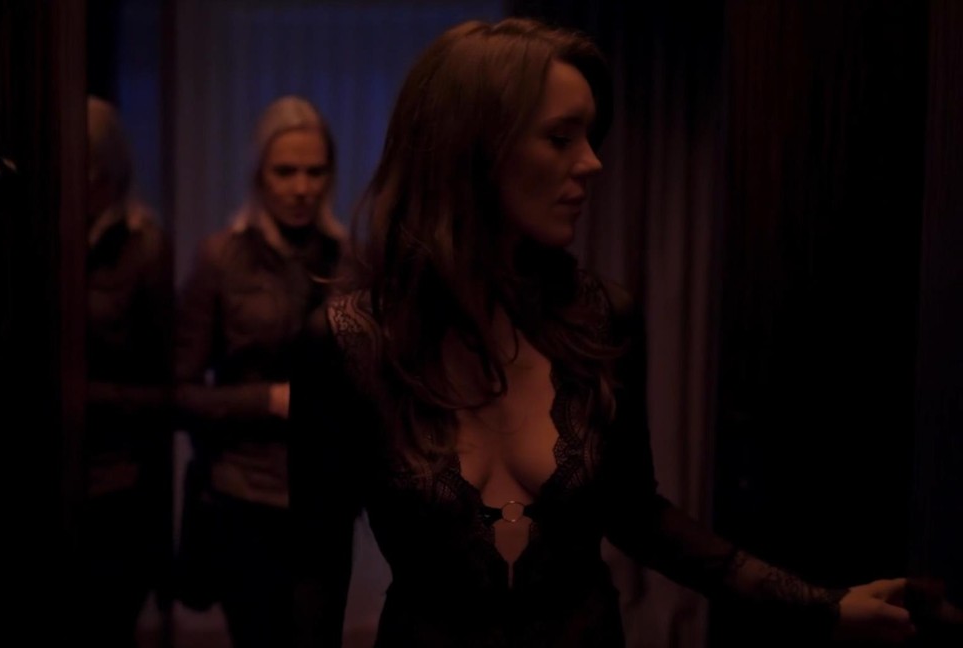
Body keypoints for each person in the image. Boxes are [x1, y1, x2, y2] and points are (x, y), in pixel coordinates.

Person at [289, 18, 915, 647]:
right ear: (471, 147)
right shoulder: (346, 343)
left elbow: (638, 514)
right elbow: (315, 565)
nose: (592, 163)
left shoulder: (601, 316)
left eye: (590, 137)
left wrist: (818, 606)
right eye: (561, 138)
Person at [173, 95, 348, 648]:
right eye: (285, 171)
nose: (301, 187)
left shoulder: (350, 259)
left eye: (315, 172)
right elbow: (178, 393)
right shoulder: (221, 258)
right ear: (259, 175)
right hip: (244, 494)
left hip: (324, 498)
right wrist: (268, 400)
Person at [79, 95, 170, 647]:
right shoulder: (52, 231)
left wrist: (84, 396)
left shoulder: (143, 247)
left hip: (118, 477)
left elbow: (163, 386)